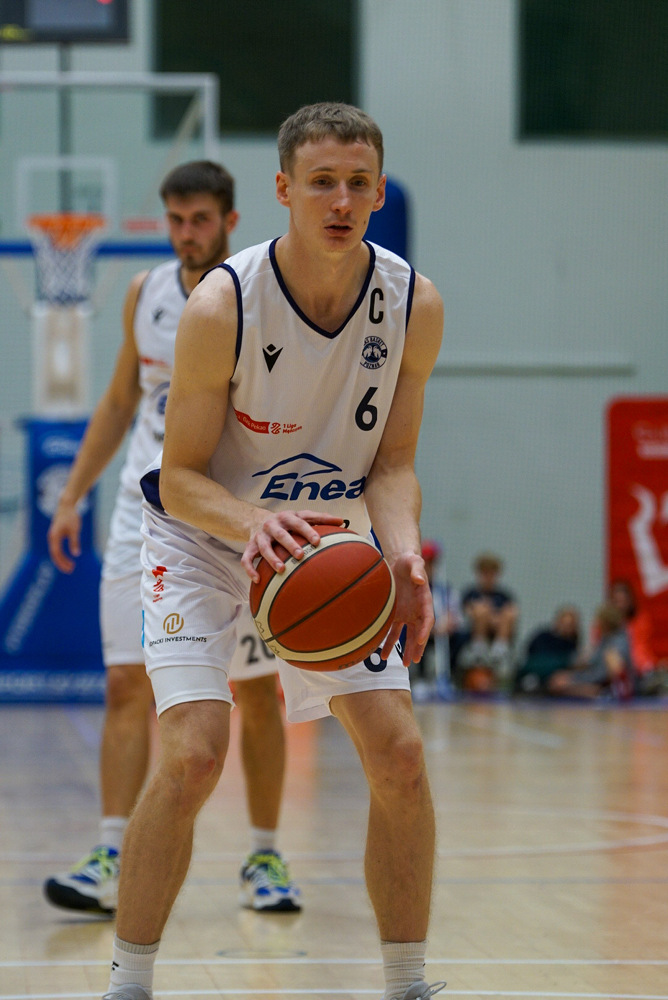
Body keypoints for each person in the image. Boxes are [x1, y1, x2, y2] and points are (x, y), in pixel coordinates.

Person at [101, 103, 445, 1000]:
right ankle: (128, 985)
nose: (342, 200)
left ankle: (407, 985)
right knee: (193, 755)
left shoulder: (413, 304)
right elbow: (178, 477)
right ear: (284, 190)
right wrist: (252, 525)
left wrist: (403, 555)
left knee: (400, 755)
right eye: (322, 182)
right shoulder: (223, 305)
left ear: (379, 191)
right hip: (208, 534)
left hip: (328, 538)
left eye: (358, 183)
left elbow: (393, 464)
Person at [44, 161, 301, 917]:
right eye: (176, 220)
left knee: (255, 692)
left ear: (230, 220)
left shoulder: (257, 296)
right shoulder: (145, 292)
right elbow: (119, 400)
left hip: (228, 515)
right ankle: (110, 853)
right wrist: (71, 496)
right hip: (142, 509)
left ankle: (264, 854)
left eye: (200, 220)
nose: (187, 234)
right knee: (124, 683)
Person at [455, 551, 519, 691]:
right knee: (481, 609)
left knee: (509, 612)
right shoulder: (471, 593)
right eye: (485, 573)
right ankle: (479, 646)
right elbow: (468, 612)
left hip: (497, 631)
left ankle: (500, 649)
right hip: (474, 632)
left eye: (492, 573)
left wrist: (494, 618)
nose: (488, 577)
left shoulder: (504, 595)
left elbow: (510, 615)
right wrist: (488, 615)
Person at [547, 602, 633, 700]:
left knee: (559, 686)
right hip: (596, 681)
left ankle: (603, 694)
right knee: (557, 682)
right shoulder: (605, 640)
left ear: (605, 622)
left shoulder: (616, 644)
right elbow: (591, 663)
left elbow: (603, 673)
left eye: (599, 621)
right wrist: (573, 674)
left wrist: (574, 679)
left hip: (606, 688)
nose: (597, 624)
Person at [411, 539, 462, 699]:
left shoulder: (445, 589)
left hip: (442, 632)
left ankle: (446, 677)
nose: (429, 567)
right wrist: (431, 628)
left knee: (459, 637)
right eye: (426, 563)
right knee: (419, 636)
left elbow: (455, 614)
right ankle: (421, 678)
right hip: (422, 631)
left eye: (432, 563)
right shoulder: (413, 588)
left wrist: (450, 622)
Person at [513, 604, 580, 695]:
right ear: (557, 622)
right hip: (534, 676)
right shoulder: (543, 637)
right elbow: (532, 657)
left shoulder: (572, 644)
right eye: (565, 623)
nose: (566, 628)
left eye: (570, 625)